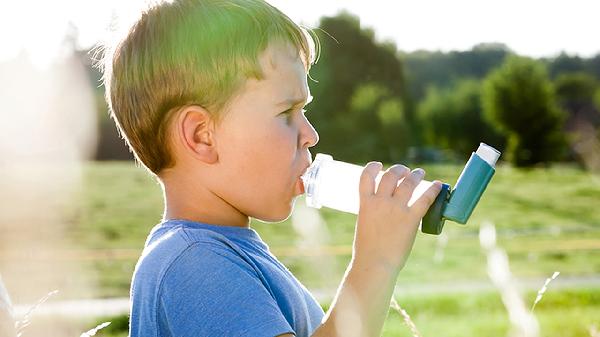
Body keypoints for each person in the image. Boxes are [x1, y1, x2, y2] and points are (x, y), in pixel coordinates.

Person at [98, 0, 443, 336]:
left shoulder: (219, 253)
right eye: (286, 113)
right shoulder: (194, 264)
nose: (310, 134)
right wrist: (375, 263)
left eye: (303, 112)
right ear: (202, 137)